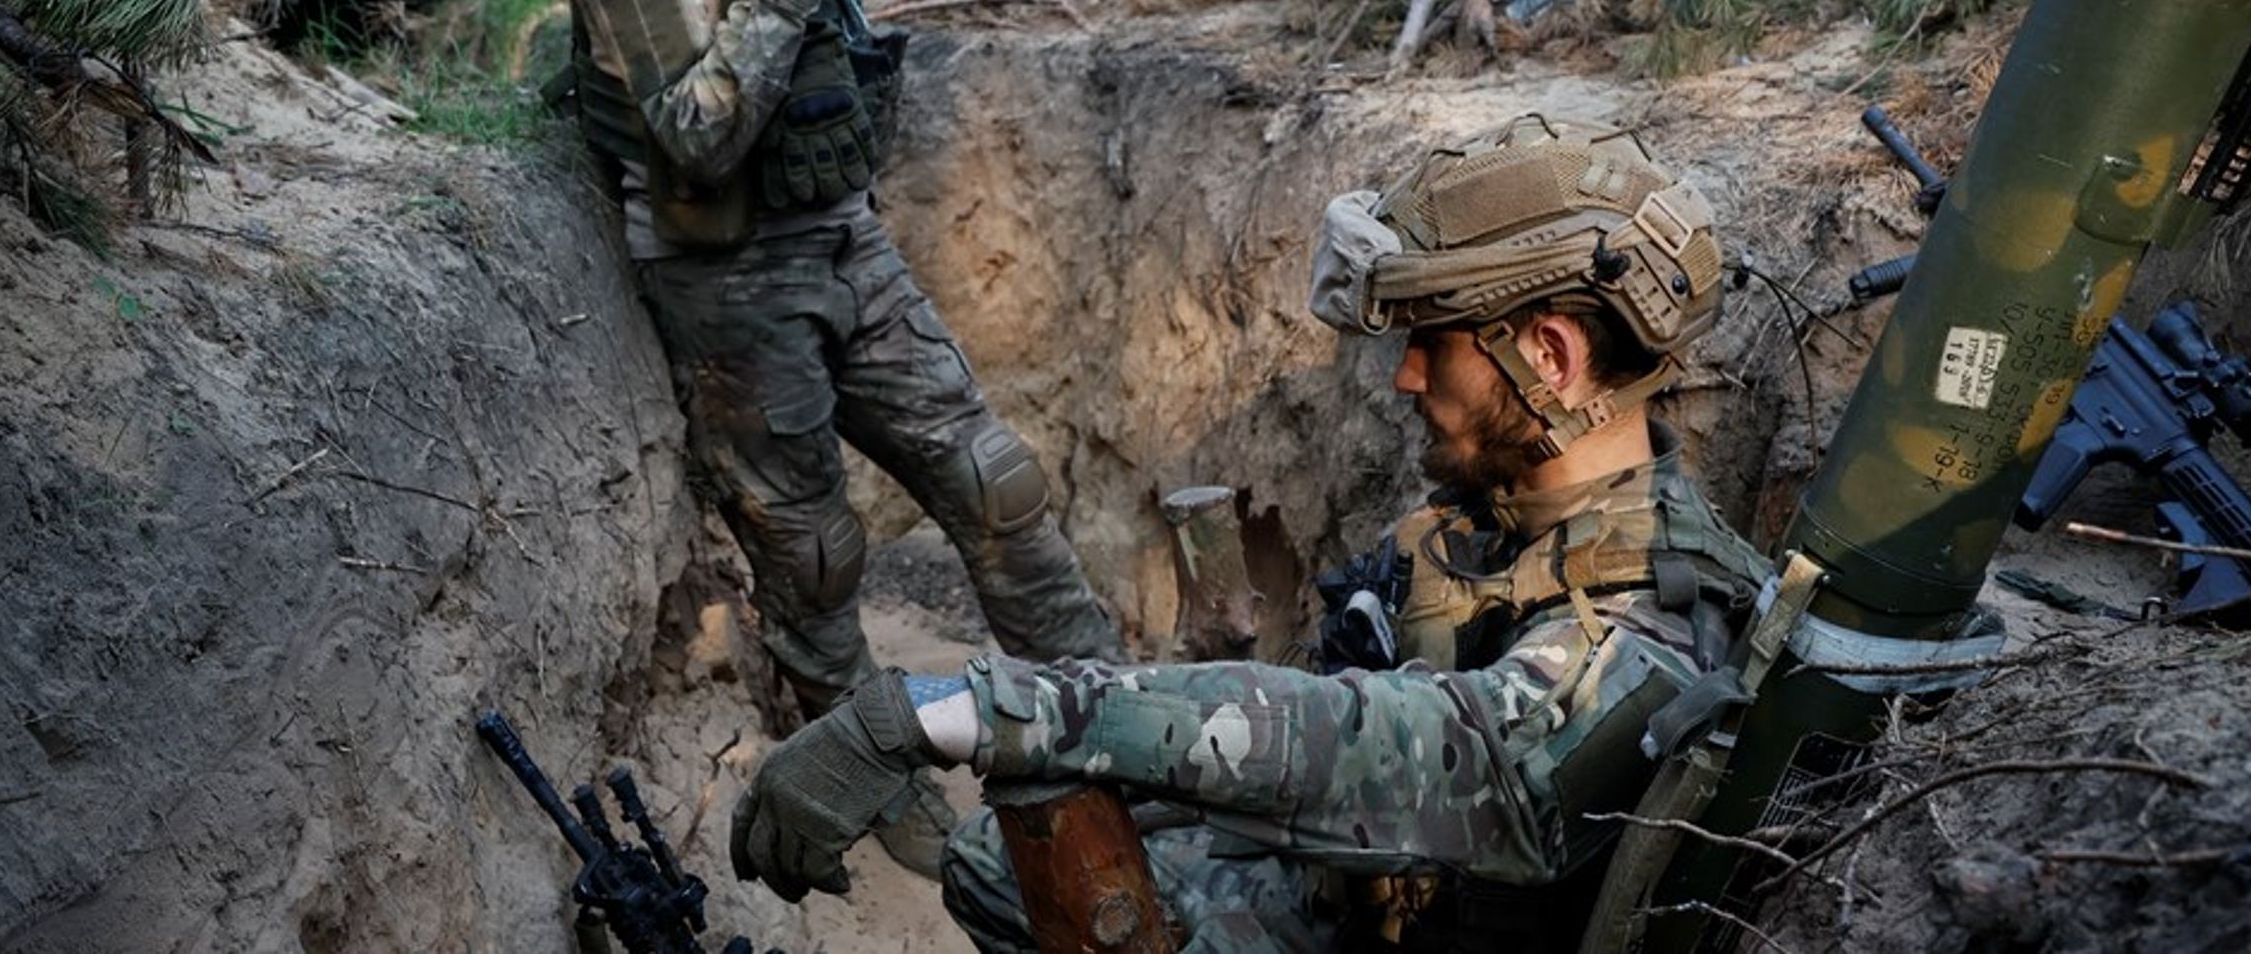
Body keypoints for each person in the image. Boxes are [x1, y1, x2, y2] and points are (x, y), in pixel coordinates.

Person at [727, 116, 1773, 948]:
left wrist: (960, 710)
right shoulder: (1496, 528)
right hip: (1364, 898)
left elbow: (1425, 751)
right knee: (997, 857)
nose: (1406, 375)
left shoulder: (1651, 619)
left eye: (1431, 343)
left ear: (1546, 354)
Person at [553, 0, 1122, 877]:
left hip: (841, 241)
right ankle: (874, 809)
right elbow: (695, 135)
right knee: (814, 563)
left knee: (999, 486)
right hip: (723, 277)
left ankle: (1123, 723)